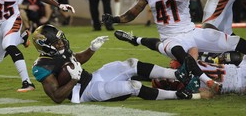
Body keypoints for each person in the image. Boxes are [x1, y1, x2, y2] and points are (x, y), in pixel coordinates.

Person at [102, 0, 246, 92]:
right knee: (180, 53)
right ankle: (210, 83)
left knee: (232, 42)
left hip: (191, 31)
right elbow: (134, 12)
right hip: (170, 38)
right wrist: (116, 19)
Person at [31, 24, 202, 104]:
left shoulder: (60, 51)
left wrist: (91, 49)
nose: (61, 44)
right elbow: (57, 97)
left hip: (92, 77)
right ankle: (178, 95)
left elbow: (76, 59)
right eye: (57, 43)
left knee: (130, 63)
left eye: (61, 41)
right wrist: (73, 80)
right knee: (133, 86)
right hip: (84, 92)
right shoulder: (42, 67)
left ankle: (178, 74)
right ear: (45, 46)